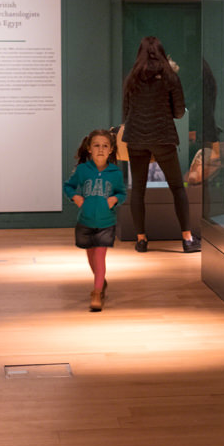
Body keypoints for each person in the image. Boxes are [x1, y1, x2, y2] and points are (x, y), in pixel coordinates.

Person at [121, 36, 200, 253]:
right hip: (163, 138)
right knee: (177, 187)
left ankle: (141, 240)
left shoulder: (132, 78)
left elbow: (125, 112)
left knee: (138, 189)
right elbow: (179, 112)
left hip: (136, 138)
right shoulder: (170, 77)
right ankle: (187, 239)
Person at [63, 129, 126, 312]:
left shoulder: (115, 172)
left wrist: (114, 200)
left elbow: (121, 192)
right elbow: (68, 186)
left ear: (111, 150)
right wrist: (75, 197)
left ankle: (97, 292)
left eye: (105, 146)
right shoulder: (83, 170)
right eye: (96, 145)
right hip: (85, 221)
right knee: (90, 256)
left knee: (100, 255)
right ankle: (101, 280)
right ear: (89, 148)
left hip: (107, 222)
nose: (101, 149)